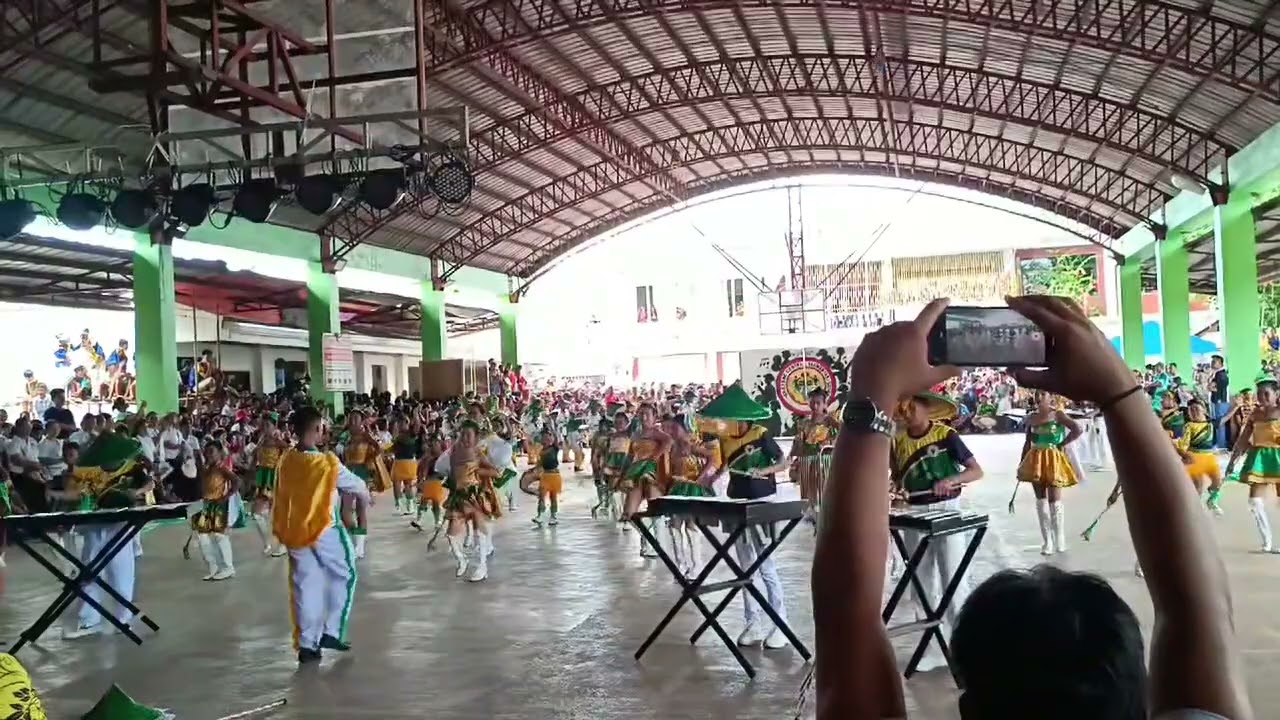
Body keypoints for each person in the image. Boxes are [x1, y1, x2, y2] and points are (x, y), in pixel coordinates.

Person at [810, 296, 1251, 720]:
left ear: (967, 711)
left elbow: (846, 610)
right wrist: (1119, 391)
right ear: (1143, 699)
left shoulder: (953, 433)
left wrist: (871, 397)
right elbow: (1200, 607)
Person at [887, 388, 983, 670]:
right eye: (904, 410)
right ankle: (932, 647)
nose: (908, 415)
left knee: (953, 578)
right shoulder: (897, 441)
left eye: (912, 408)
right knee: (921, 583)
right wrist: (894, 490)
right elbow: (897, 478)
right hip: (915, 514)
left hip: (947, 511)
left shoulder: (946, 435)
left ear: (927, 408)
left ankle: (962, 647)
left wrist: (951, 480)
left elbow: (975, 471)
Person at [272, 406, 370, 664]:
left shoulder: (286, 460)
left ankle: (307, 645)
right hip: (324, 529)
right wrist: (365, 496)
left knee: (306, 586)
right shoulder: (327, 463)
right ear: (317, 429)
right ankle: (332, 630)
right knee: (345, 574)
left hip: (294, 531)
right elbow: (357, 485)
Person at [698, 384, 791, 650]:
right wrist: (712, 478)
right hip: (737, 503)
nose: (724, 423)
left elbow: (783, 463)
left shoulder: (760, 434)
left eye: (728, 419)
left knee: (766, 567)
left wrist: (764, 472)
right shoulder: (726, 439)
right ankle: (753, 623)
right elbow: (727, 464)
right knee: (745, 568)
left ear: (742, 418)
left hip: (762, 502)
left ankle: (781, 625)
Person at [1016, 389, 1081, 555]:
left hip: (1054, 459)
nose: (1038, 397)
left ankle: (1060, 538)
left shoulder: (1058, 414)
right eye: (1036, 394)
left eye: (1043, 394)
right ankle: (1047, 541)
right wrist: (1022, 463)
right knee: (1040, 500)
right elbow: (1028, 441)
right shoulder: (1031, 417)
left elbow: (1077, 429)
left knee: (1055, 500)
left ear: (1051, 397)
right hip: (1035, 459)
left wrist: (1062, 444)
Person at [1225, 372, 1280, 552]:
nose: (1262, 397)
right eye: (1259, 393)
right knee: (1255, 501)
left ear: (1276, 394)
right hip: (1260, 458)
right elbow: (1242, 439)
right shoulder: (1255, 414)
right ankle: (1267, 541)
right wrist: (1232, 462)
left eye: (1267, 393)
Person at [790, 387, 840, 526]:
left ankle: (827, 518)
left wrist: (830, 443)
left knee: (825, 492)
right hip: (806, 460)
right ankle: (810, 517)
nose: (815, 406)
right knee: (808, 493)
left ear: (825, 404)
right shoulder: (803, 423)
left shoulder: (831, 422)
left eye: (818, 403)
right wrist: (792, 458)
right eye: (812, 402)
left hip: (825, 461)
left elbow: (841, 438)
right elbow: (798, 442)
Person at [189, 442, 239, 581]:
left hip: (218, 504)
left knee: (219, 536)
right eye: (207, 452)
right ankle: (213, 566)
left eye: (212, 452)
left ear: (219, 453)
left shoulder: (222, 468)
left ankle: (228, 568)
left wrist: (226, 497)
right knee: (202, 536)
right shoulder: (207, 468)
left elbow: (236, 481)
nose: (208, 455)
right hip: (206, 504)